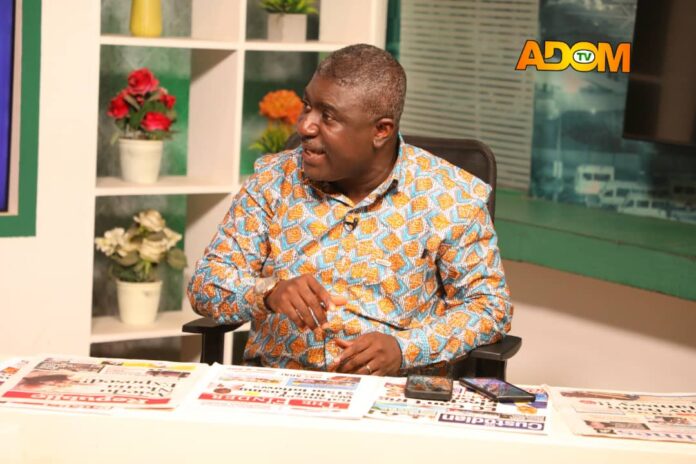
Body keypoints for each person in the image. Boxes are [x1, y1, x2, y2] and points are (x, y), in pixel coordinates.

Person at [188, 44, 512, 376]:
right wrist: (268, 292)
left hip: (392, 392)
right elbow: (206, 284)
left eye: (327, 116)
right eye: (307, 106)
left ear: (381, 130)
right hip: (278, 382)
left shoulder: (451, 196)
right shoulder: (273, 179)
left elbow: (489, 307)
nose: (305, 126)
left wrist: (405, 349)